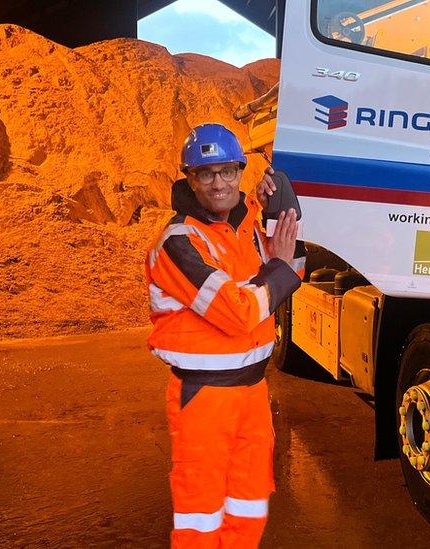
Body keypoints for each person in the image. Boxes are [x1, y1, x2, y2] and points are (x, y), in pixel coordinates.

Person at [145, 123, 303, 548]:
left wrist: (279, 212)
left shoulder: (248, 229)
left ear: (240, 172)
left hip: (252, 393)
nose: (219, 183)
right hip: (203, 400)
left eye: (227, 172)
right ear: (190, 179)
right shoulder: (178, 242)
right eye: (206, 173)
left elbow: (291, 274)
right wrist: (280, 271)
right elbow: (236, 312)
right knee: (201, 517)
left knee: (249, 505)